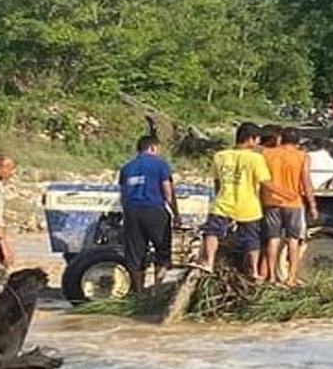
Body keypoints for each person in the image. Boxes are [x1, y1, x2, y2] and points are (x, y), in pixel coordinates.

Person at [200, 123, 293, 278]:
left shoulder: (220, 156)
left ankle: (208, 262)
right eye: (257, 139)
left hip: (223, 203)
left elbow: (217, 183)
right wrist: (286, 194)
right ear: (250, 139)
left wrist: (219, 196)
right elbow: (265, 182)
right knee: (252, 239)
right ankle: (254, 271)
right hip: (248, 206)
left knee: (212, 232)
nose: (257, 143)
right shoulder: (255, 158)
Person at [118, 135, 179, 295]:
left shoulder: (126, 168)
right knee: (162, 251)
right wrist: (176, 214)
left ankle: (139, 292)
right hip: (154, 210)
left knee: (136, 253)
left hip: (132, 212)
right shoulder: (160, 165)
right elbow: (168, 193)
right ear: (152, 148)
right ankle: (156, 290)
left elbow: (123, 196)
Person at [262, 127, 318, 287]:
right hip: (294, 203)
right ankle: (290, 277)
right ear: (298, 141)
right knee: (293, 241)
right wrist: (312, 205)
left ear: (281, 139)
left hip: (271, 202)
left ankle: (272, 277)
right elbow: (306, 182)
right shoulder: (302, 156)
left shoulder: (268, 154)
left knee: (273, 239)